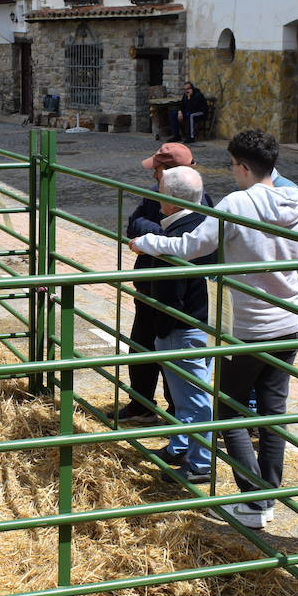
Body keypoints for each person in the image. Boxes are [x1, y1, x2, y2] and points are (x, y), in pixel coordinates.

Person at [128, 129, 298, 529]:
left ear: (241, 166)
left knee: (228, 410)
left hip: (250, 326)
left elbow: (192, 246)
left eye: (232, 165)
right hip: (289, 322)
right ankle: (268, 495)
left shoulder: (238, 202)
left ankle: (255, 500)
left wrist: (149, 242)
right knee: (272, 413)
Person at [143, 165, 219, 481]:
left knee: (194, 397)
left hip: (182, 328)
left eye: (161, 190)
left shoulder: (177, 237)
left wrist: (161, 325)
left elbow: (170, 291)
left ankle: (201, 464)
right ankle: (180, 445)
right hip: (202, 321)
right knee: (185, 395)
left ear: (171, 198)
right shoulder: (204, 226)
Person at [116, 142, 197, 426]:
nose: (153, 175)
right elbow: (133, 224)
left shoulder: (200, 200)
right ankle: (142, 404)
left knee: (173, 353)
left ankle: (178, 415)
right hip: (149, 284)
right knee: (141, 345)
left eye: (158, 169)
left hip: (176, 291)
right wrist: (161, 234)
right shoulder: (154, 196)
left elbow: (195, 240)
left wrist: (156, 241)